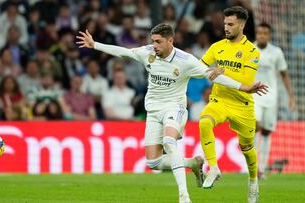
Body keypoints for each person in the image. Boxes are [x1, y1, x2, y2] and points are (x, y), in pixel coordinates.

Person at [77, 23, 267, 203]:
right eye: (153, 41)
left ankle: (183, 196)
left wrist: (244, 87)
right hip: (153, 112)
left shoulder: (186, 61)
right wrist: (95, 45)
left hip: (174, 108)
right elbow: (124, 52)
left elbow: (214, 76)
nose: (154, 45)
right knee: (153, 163)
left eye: (158, 41)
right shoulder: (147, 53)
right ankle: (193, 163)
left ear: (170, 41)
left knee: (169, 143)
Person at [198, 6, 262, 203]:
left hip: (242, 105)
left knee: (247, 149)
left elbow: (246, 80)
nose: (226, 27)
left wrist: (221, 71)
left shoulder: (252, 51)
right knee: (204, 122)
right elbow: (200, 68)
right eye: (225, 23)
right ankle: (213, 168)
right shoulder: (216, 47)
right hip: (220, 100)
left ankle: (253, 181)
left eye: (231, 24)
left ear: (242, 25)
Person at [253, 22, 296, 179]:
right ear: (256, 34)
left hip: (271, 97)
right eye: (260, 33)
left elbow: (284, 74)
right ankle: (253, 166)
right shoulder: (249, 49)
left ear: (269, 35)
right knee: (255, 126)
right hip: (254, 95)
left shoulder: (276, 52)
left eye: (265, 33)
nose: (262, 35)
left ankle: (262, 169)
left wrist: (291, 96)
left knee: (266, 132)